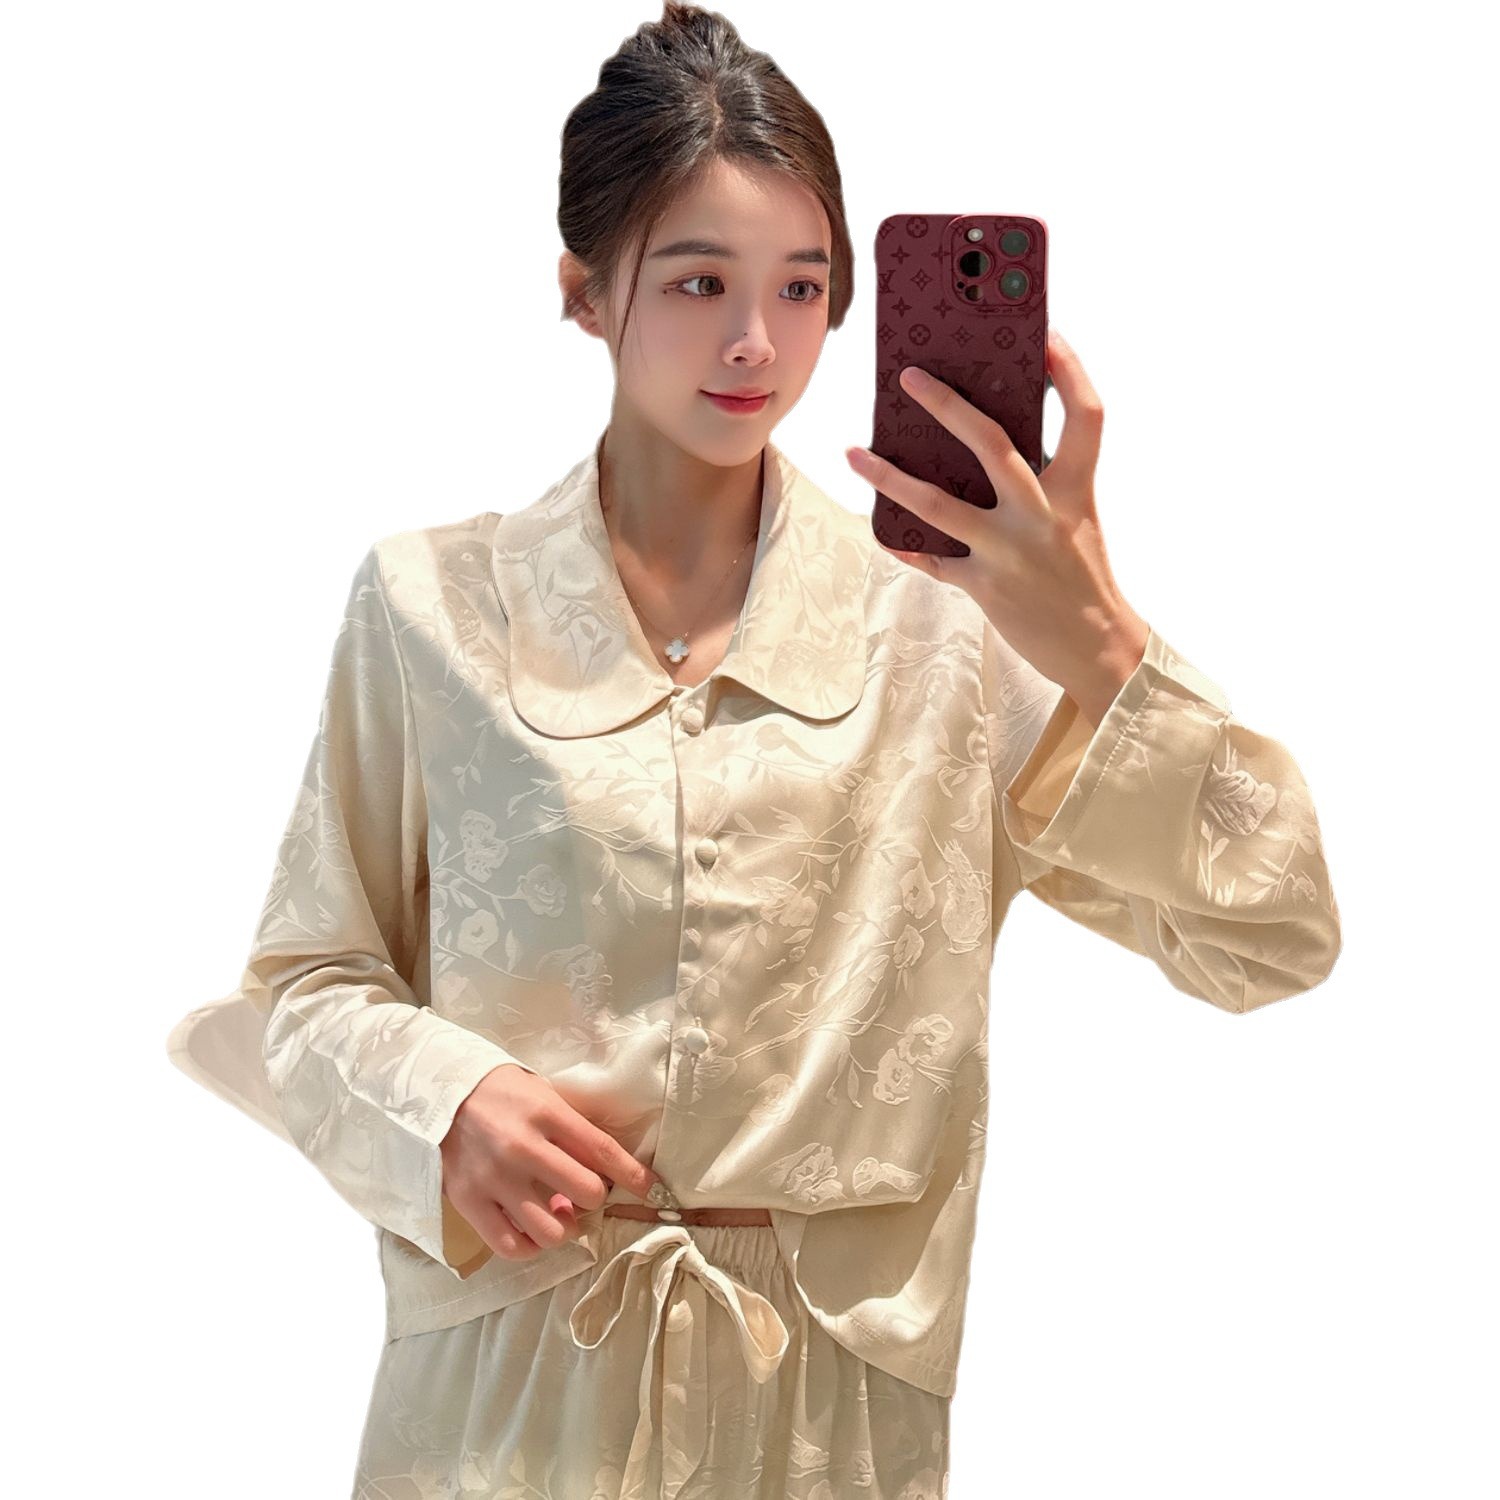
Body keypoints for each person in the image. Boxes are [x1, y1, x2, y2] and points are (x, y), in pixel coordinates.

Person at [164, 4, 1342, 1496]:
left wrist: (1102, 644)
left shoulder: (944, 635)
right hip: (505, 1406)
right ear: (585, 292)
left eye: (802, 285)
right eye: (698, 281)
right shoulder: (428, 607)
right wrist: (442, 1104)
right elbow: (306, 982)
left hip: (826, 1422)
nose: (755, 342)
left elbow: (1271, 937)